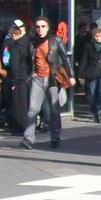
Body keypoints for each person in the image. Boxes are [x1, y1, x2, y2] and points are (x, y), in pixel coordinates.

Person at [21, 17, 75, 150]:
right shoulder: (31, 42)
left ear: (48, 27)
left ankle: (55, 138)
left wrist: (71, 76)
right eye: (38, 27)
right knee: (33, 109)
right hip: (37, 78)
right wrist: (30, 73)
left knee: (54, 110)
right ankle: (28, 139)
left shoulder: (56, 40)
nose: (40, 29)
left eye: (43, 26)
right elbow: (26, 60)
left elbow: (65, 58)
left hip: (52, 78)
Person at [78, 25, 101, 123]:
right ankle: (94, 112)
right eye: (96, 36)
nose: (98, 38)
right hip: (91, 72)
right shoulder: (88, 46)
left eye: (99, 36)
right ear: (93, 37)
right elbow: (84, 60)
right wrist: (80, 74)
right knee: (92, 94)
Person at [5, 19, 32, 134]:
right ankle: (27, 125)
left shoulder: (15, 47)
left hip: (19, 78)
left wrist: (13, 82)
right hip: (26, 76)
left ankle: (21, 127)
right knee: (25, 103)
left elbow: (14, 65)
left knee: (18, 104)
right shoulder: (27, 43)